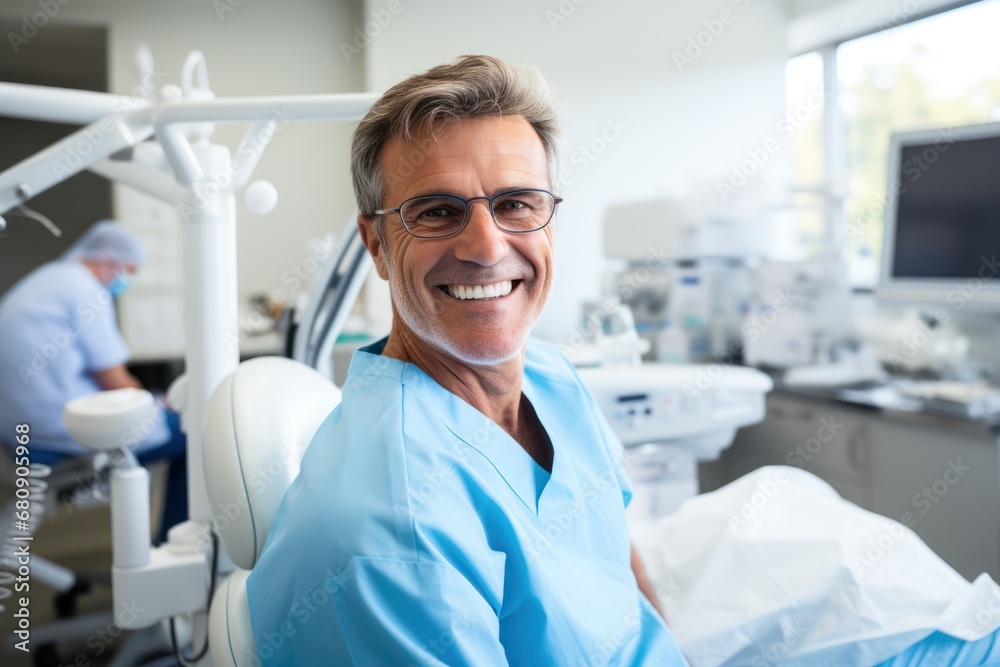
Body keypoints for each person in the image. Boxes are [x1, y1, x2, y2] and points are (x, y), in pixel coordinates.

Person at [246, 56, 1000, 666]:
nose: (485, 246)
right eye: (438, 211)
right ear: (376, 243)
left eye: (516, 203)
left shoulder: (549, 376)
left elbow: (615, 550)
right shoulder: (394, 536)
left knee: (958, 628)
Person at [0, 220, 186, 538]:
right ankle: (173, 543)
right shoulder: (86, 290)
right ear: (108, 259)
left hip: (17, 428)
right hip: (53, 428)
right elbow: (112, 377)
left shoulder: (50, 279)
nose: (124, 280)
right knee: (190, 432)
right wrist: (158, 403)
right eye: (127, 270)